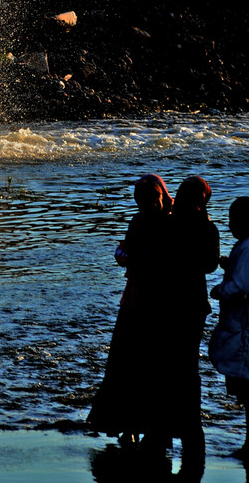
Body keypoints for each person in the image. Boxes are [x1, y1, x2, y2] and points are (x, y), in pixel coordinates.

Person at [87, 173, 173, 449]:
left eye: (154, 199)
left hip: (154, 303)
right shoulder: (144, 221)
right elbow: (130, 252)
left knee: (144, 367)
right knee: (129, 365)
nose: (150, 205)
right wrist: (124, 255)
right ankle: (131, 425)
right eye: (145, 201)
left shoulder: (170, 223)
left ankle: (139, 426)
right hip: (137, 301)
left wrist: (128, 257)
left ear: (161, 196)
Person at [209, 196, 249, 462]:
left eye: (233, 219)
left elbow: (240, 287)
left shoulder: (248, 248)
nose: (230, 224)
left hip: (246, 324)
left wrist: (218, 290)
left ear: (247, 221)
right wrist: (230, 265)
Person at [162, 176, 220, 457]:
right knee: (189, 363)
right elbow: (209, 266)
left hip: (166, 301)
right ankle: (190, 417)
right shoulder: (208, 227)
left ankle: (164, 415)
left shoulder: (168, 223)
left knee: (165, 361)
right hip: (194, 302)